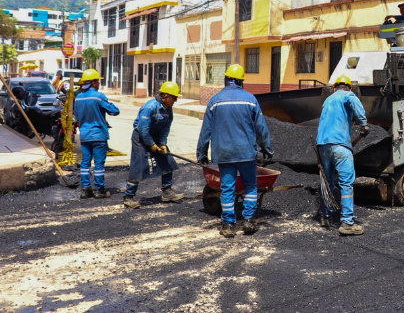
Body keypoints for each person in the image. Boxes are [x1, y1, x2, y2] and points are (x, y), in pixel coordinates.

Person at [196, 64, 273, 238]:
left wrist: (201, 153)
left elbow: (205, 131)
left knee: (227, 189)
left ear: (226, 79)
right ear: (241, 82)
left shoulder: (214, 101)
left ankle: (229, 224)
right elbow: (261, 128)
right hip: (246, 152)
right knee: (250, 185)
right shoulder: (250, 99)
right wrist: (267, 148)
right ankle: (248, 221)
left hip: (224, 153)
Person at [315, 75, 369, 235]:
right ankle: (347, 222)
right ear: (349, 88)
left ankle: (325, 215)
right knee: (346, 183)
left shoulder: (328, 100)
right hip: (340, 145)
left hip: (322, 145)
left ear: (334, 88)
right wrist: (364, 124)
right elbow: (354, 103)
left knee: (327, 181)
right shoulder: (348, 95)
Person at [123, 81, 185, 209]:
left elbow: (165, 128)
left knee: (167, 160)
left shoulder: (168, 109)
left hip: (155, 137)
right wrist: (151, 145)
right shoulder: (149, 107)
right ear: (165, 96)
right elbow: (143, 130)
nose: (176, 100)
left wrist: (162, 144)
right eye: (174, 98)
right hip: (140, 138)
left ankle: (167, 192)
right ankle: (128, 197)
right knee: (138, 166)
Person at [73, 68, 120, 199]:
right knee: (98, 164)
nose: (99, 83)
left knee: (85, 163)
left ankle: (86, 190)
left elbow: (77, 116)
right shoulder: (98, 96)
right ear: (93, 82)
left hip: (85, 135)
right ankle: (100, 190)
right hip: (98, 135)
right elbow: (114, 111)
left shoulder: (78, 98)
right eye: (98, 81)